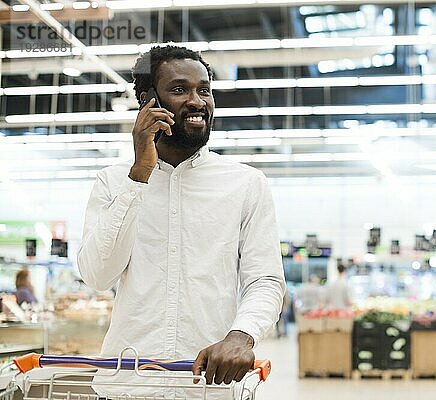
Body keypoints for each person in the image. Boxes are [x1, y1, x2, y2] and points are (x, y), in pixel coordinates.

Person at [77, 45, 285, 398]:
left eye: (204, 90)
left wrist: (241, 335)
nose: (197, 101)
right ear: (147, 101)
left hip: (206, 386)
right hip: (129, 385)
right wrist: (138, 175)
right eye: (179, 89)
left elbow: (265, 280)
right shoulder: (113, 182)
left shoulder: (246, 183)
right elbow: (97, 275)